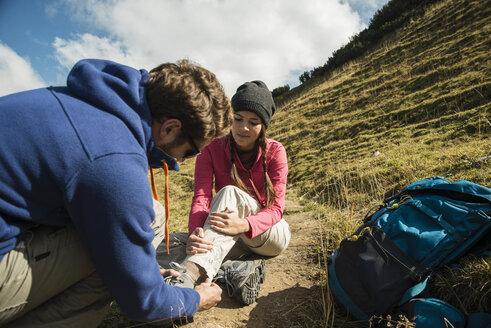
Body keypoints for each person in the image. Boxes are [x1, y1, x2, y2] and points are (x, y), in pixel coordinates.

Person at [0, 58, 233, 327]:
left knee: (141, 225)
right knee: (121, 253)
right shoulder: (114, 163)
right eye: (192, 150)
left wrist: (140, 266)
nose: (187, 159)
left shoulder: (90, 105)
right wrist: (194, 298)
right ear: (170, 128)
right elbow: (142, 302)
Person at [161, 80, 290, 305]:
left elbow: (277, 209)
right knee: (160, 244)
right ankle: (234, 268)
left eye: (253, 122)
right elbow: (201, 197)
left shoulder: (276, 151)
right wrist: (195, 234)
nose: (244, 127)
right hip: (228, 235)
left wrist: (245, 224)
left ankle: (189, 276)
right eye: (237, 118)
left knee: (230, 192)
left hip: (269, 234)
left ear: (263, 126)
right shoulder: (211, 148)